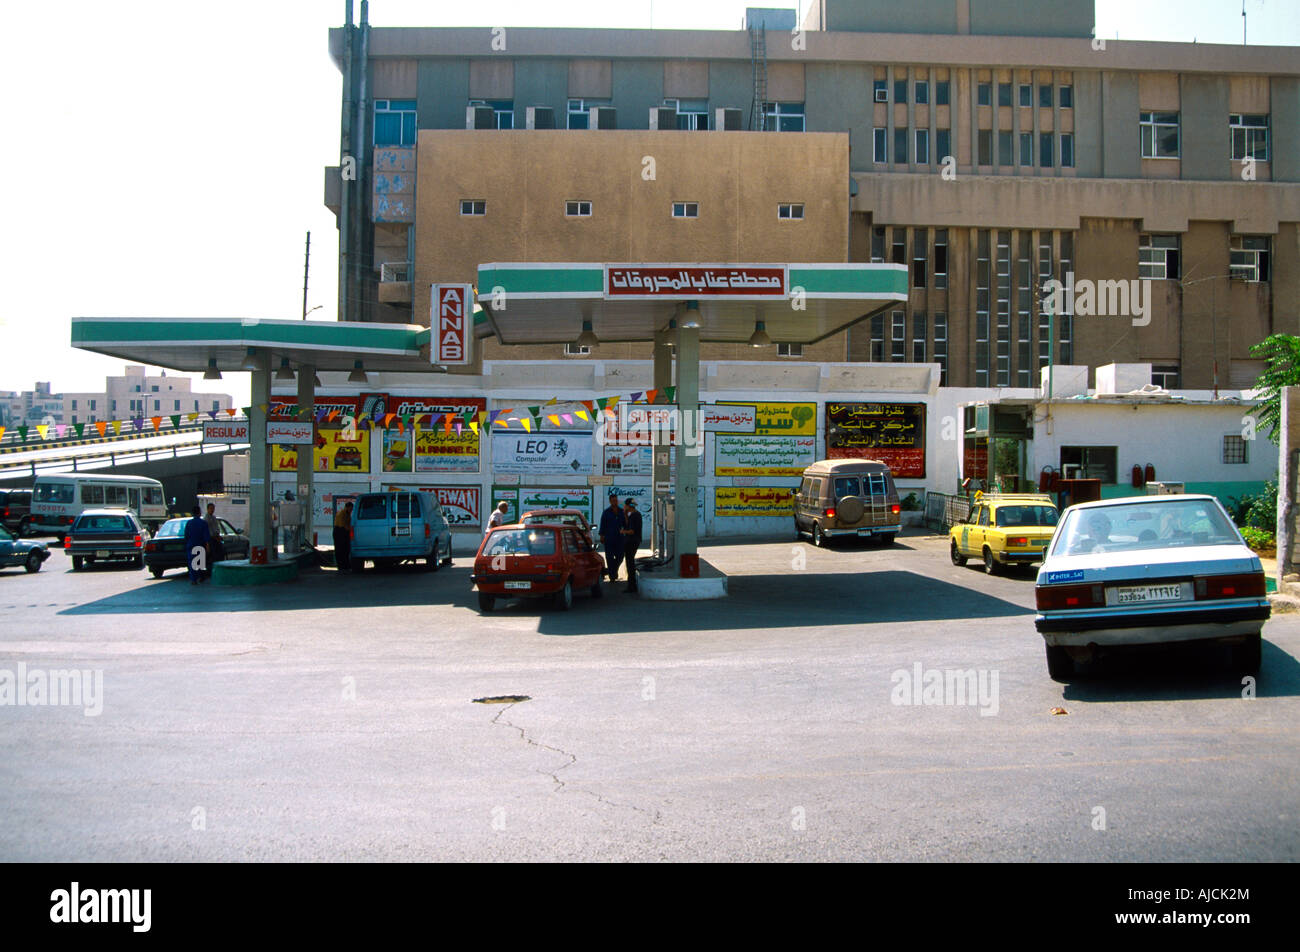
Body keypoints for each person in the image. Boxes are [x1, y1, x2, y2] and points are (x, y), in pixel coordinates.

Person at [598, 493, 626, 582]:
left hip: (619, 539)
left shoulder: (622, 511)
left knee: (620, 556)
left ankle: (612, 570)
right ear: (610, 501)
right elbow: (602, 524)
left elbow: (625, 524)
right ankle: (612, 576)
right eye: (613, 500)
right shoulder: (606, 512)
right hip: (609, 538)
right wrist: (602, 536)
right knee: (609, 558)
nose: (615, 502)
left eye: (616, 500)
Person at [183, 506, 211, 586]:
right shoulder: (203, 523)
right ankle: (201, 577)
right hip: (200, 545)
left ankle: (193, 579)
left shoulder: (189, 523)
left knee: (192, 563)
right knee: (200, 562)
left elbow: (186, 536)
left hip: (191, 545)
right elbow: (206, 536)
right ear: (199, 512)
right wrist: (207, 546)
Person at [621, 497, 643, 594]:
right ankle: (631, 584)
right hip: (631, 541)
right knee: (629, 562)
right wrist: (625, 514)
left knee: (630, 563)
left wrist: (623, 532)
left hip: (632, 541)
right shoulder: (632, 515)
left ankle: (632, 585)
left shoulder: (635, 516)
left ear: (628, 506)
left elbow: (632, 531)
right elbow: (627, 524)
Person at [203, 503, 225, 575]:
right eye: (211, 508)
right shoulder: (206, 519)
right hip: (211, 540)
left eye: (213, 508)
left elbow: (216, 529)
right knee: (213, 557)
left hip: (216, 539)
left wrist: (218, 536)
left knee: (220, 555)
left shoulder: (214, 518)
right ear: (208, 509)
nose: (212, 510)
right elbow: (208, 532)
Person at [334, 501, 354, 572]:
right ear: (347, 507)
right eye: (350, 509)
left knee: (346, 549)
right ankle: (341, 566)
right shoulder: (342, 514)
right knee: (340, 549)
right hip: (339, 531)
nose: (351, 510)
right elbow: (343, 525)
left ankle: (346, 564)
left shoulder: (348, 514)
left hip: (344, 531)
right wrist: (350, 530)